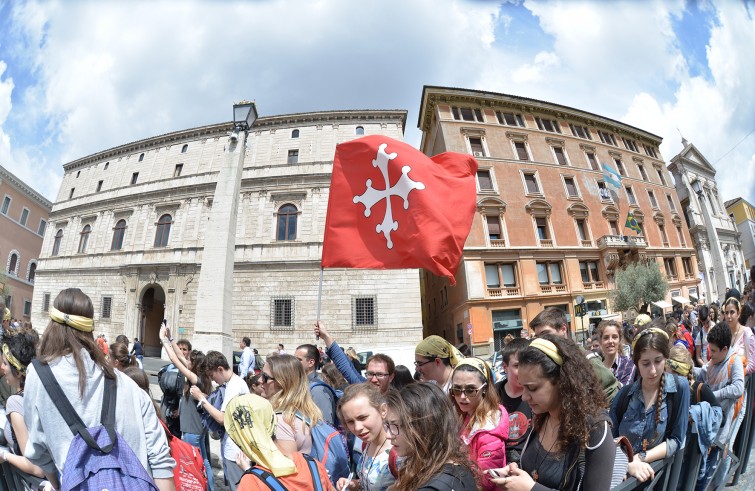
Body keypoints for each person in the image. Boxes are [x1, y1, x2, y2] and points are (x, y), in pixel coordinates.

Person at [22, 288, 175, 490]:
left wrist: (60, 482)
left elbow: (38, 452)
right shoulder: (131, 386)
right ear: (90, 330)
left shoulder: (38, 375)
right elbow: (160, 462)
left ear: (52, 326)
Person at [489, 335, 615, 491]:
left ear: (562, 381)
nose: (524, 397)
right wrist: (515, 473)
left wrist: (531, 488)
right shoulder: (542, 414)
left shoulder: (595, 428)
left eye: (533, 388)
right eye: (523, 387)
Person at [610, 324, 690, 483]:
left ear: (666, 358)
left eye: (658, 361)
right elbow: (610, 442)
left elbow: (676, 440)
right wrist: (628, 465)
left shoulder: (680, 387)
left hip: (657, 479)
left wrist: (641, 458)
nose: (653, 370)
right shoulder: (623, 395)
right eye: (646, 364)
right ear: (636, 363)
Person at [224, 394, 334, 490]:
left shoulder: (252, 483)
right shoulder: (311, 464)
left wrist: (249, 471)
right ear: (274, 420)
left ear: (239, 438)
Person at [383, 383, 477, 490]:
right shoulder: (458, 468)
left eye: (395, 426)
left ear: (423, 426)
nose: (388, 435)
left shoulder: (433, 485)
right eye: (387, 425)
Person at [160, 326, 215, 491]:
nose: (186, 360)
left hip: (192, 429)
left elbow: (175, 359)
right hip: (198, 427)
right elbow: (179, 355)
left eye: (189, 360)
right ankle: (209, 487)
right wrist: (171, 339)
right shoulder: (201, 377)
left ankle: (196, 486)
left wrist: (163, 340)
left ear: (195, 365)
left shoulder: (195, 378)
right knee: (204, 460)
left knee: (193, 461)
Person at [693, 321, 745, 490]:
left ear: (724, 349)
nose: (710, 354)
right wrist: (688, 368)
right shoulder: (714, 361)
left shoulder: (734, 360)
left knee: (720, 458)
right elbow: (703, 372)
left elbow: (738, 387)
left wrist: (713, 396)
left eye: (713, 351)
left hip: (725, 420)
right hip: (713, 419)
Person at [529, 308, 619, 403]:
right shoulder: (546, 364)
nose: (542, 340)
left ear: (563, 329)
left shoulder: (588, 360)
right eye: (538, 337)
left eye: (546, 334)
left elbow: (613, 396)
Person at [190, 350, 249, 491]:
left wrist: (201, 399)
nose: (212, 380)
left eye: (212, 375)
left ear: (220, 369)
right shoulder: (233, 384)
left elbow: (222, 418)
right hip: (234, 448)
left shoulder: (234, 386)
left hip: (236, 451)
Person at [666, 345, 722, 490]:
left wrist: (697, 413)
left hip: (692, 458)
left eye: (672, 374)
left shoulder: (700, 389)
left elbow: (720, 416)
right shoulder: (666, 389)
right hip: (672, 457)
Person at [450, 358, 508, 490]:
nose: (462, 397)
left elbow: (486, 481)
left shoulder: (489, 431)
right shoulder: (462, 415)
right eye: (457, 390)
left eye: (470, 390)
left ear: (484, 389)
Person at [0, 328, 47, 487]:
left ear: (19, 373)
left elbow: (37, 467)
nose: (2, 368)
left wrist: (4, 455)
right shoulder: (40, 392)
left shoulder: (15, 402)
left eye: (5, 363)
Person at [335, 383, 395, 491]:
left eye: (362, 418)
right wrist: (355, 484)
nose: (357, 428)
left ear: (383, 410)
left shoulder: (399, 452)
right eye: (350, 421)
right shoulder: (365, 443)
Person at [259, 354, 321, 456]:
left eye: (265, 377)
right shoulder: (306, 412)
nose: (260, 380)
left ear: (282, 382)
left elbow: (285, 468)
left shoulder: (281, 421)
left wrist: (247, 468)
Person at [314, 322, 396, 393]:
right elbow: (346, 367)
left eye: (380, 374)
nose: (374, 380)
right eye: (370, 374)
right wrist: (325, 336)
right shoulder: (364, 389)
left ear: (391, 377)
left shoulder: (400, 404)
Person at [495, 338, 532, 466]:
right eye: (517, 366)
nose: (523, 370)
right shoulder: (492, 395)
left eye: (526, 364)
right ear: (505, 367)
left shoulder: (537, 395)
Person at [295, 343, 337, 426]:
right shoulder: (301, 384)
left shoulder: (318, 390)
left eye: (298, 360)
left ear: (311, 362)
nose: (293, 363)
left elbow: (325, 425)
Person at [597, 319, 635, 387]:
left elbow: (624, 390)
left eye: (614, 337)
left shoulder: (628, 364)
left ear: (619, 340)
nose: (610, 341)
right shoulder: (597, 367)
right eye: (606, 338)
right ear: (600, 341)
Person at [722, 297, 755, 374]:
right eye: (726, 313)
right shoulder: (725, 334)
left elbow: (752, 364)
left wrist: (737, 375)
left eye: (732, 312)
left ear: (738, 314)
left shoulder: (746, 333)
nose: (728, 316)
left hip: (743, 382)